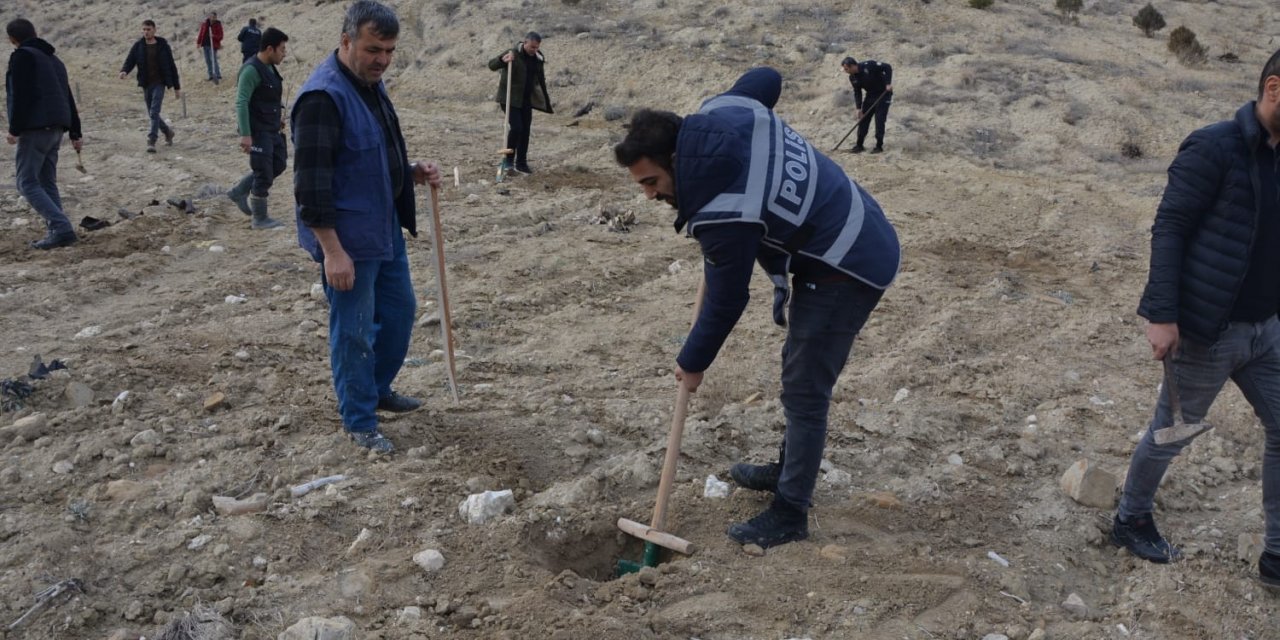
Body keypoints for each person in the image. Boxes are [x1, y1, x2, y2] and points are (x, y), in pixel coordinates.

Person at [614, 68, 901, 548]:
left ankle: (790, 513)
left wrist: (692, 361)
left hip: (848, 259)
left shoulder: (724, 212)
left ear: (675, 159)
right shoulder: (722, 110)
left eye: (652, 181)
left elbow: (728, 299)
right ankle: (790, 468)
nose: (649, 195)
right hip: (851, 219)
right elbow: (765, 78)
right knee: (797, 368)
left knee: (806, 387)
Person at [1113, 49, 1280, 590]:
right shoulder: (1213, 146)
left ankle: (1277, 554)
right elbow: (1170, 226)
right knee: (1170, 432)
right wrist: (1161, 314)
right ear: (1274, 89)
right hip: (1209, 328)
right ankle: (1130, 518)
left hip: (1267, 329)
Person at [292, 0, 442, 453]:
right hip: (349, 240)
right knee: (353, 330)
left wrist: (410, 169)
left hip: (384, 227)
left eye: (390, 51)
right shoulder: (322, 98)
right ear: (346, 41)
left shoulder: (370, 84)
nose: (383, 59)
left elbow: (370, 153)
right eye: (375, 49)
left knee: (399, 312)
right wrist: (333, 251)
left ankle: (376, 390)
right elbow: (310, 187)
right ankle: (359, 419)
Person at [5, 18, 83, 250]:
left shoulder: (22, 56)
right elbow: (68, 97)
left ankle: (61, 227)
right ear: (35, 32)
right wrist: (75, 132)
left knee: (25, 182)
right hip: (57, 128)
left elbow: (21, 95)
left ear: (12, 39)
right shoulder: (54, 59)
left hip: (36, 128)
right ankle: (57, 231)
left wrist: (14, 129)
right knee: (47, 182)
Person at [226, 27, 288, 230]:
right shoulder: (251, 69)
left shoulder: (270, 68)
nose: (284, 53)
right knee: (263, 172)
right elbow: (241, 102)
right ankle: (260, 219)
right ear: (270, 49)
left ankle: (240, 190)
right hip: (257, 131)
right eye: (281, 49)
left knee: (278, 164)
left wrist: (277, 118)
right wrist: (245, 134)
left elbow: (268, 98)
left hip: (272, 129)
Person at [487, 32, 552, 175]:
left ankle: (521, 163)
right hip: (509, 98)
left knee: (525, 131)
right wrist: (503, 60)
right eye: (532, 47)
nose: (534, 50)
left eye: (536, 47)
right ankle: (508, 160)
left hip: (526, 100)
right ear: (525, 42)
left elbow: (539, 78)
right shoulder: (513, 53)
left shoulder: (538, 58)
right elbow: (491, 65)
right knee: (517, 128)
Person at [119, 20, 180, 153]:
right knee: (153, 113)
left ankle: (151, 140)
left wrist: (176, 87)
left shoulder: (163, 45)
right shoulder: (139, 46)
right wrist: (124, 70)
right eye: (144, 30)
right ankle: (168, 132)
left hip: (160, 83)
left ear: (154, 30)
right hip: (146, 83)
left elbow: (171, 66)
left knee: (154, 111)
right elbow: (130, 60)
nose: (146, 32)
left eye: (148, 29)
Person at [840, 56, 892, 154]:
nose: (845, 71)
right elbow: (857, 92)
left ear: (852, 66)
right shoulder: (852, 77)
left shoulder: (869, 65)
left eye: (846, 69)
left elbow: (887, 67)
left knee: (879, 120)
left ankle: (879, 146)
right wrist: (858, 108)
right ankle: (859, 145)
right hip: (870, 96)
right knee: (863, 120)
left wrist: (888, 83)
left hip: (883, 94)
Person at [196, 11, 224, 83]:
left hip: (213, 45)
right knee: (208, 60)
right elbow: (201, 33)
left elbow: (221, 36)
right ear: (209, 17)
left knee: (213, 60)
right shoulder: (205, 24)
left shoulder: (218, 24)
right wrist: (198, 42)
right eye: (211, 17)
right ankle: (211, 75)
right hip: (205, 44)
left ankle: (217, 75)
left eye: (214, 17)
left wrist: (214, 36)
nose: (213, 18)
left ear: (216, 17)